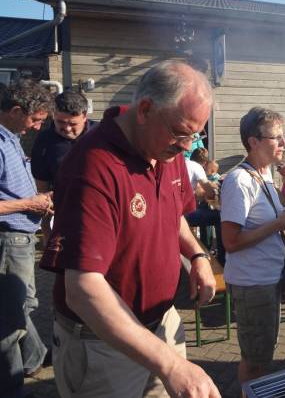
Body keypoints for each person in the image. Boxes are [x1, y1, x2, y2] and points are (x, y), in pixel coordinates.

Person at [39, 61, 220, 398]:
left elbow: (174, 214)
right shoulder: (92, 166)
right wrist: (171, 365)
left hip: (162, 324)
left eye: (195, 134)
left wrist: (197, 255)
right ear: (146, 109)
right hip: (104, 344)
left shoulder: (166, 151)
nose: (187, 145)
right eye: (182, 132)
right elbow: (82, 289)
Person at [220, 107, 285, 385]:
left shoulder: (264, 175)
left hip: (268, 278)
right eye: (276, 137)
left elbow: (270, 223)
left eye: (283, 136)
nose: (283, 143)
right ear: (253, 141)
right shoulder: (239, 181)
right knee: (255, 362)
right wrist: (279, 224)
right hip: (252, 282)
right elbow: (230, 242)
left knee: (262, 354)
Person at [0, 80, 54, 398]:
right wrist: (30, 204)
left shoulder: (11, 139)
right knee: (10, 321)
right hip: (8, 242)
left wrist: (38, 199)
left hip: (18, 241)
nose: (34, 128)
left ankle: (34, 358)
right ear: (17, 111)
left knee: (22, 307)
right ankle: (12, 388)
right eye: (34, 120)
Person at [31, 89, 96, 244]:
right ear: (53, 115)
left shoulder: (102, 135)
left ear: (85, 116)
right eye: (60, 122)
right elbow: (42, 188)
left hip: (97, 209)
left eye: (73, 124)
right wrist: (46, 231)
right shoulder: (45, 140)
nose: (66, 128)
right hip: (63, 212)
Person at [184, 153, 224, 266]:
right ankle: (221, 259)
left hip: (174, 215)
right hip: (185, 215)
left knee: (203, 209)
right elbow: (210, 192)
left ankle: (205, 245)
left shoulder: (175, 165)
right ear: (204, 164)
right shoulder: (195, 167)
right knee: (219, 216)